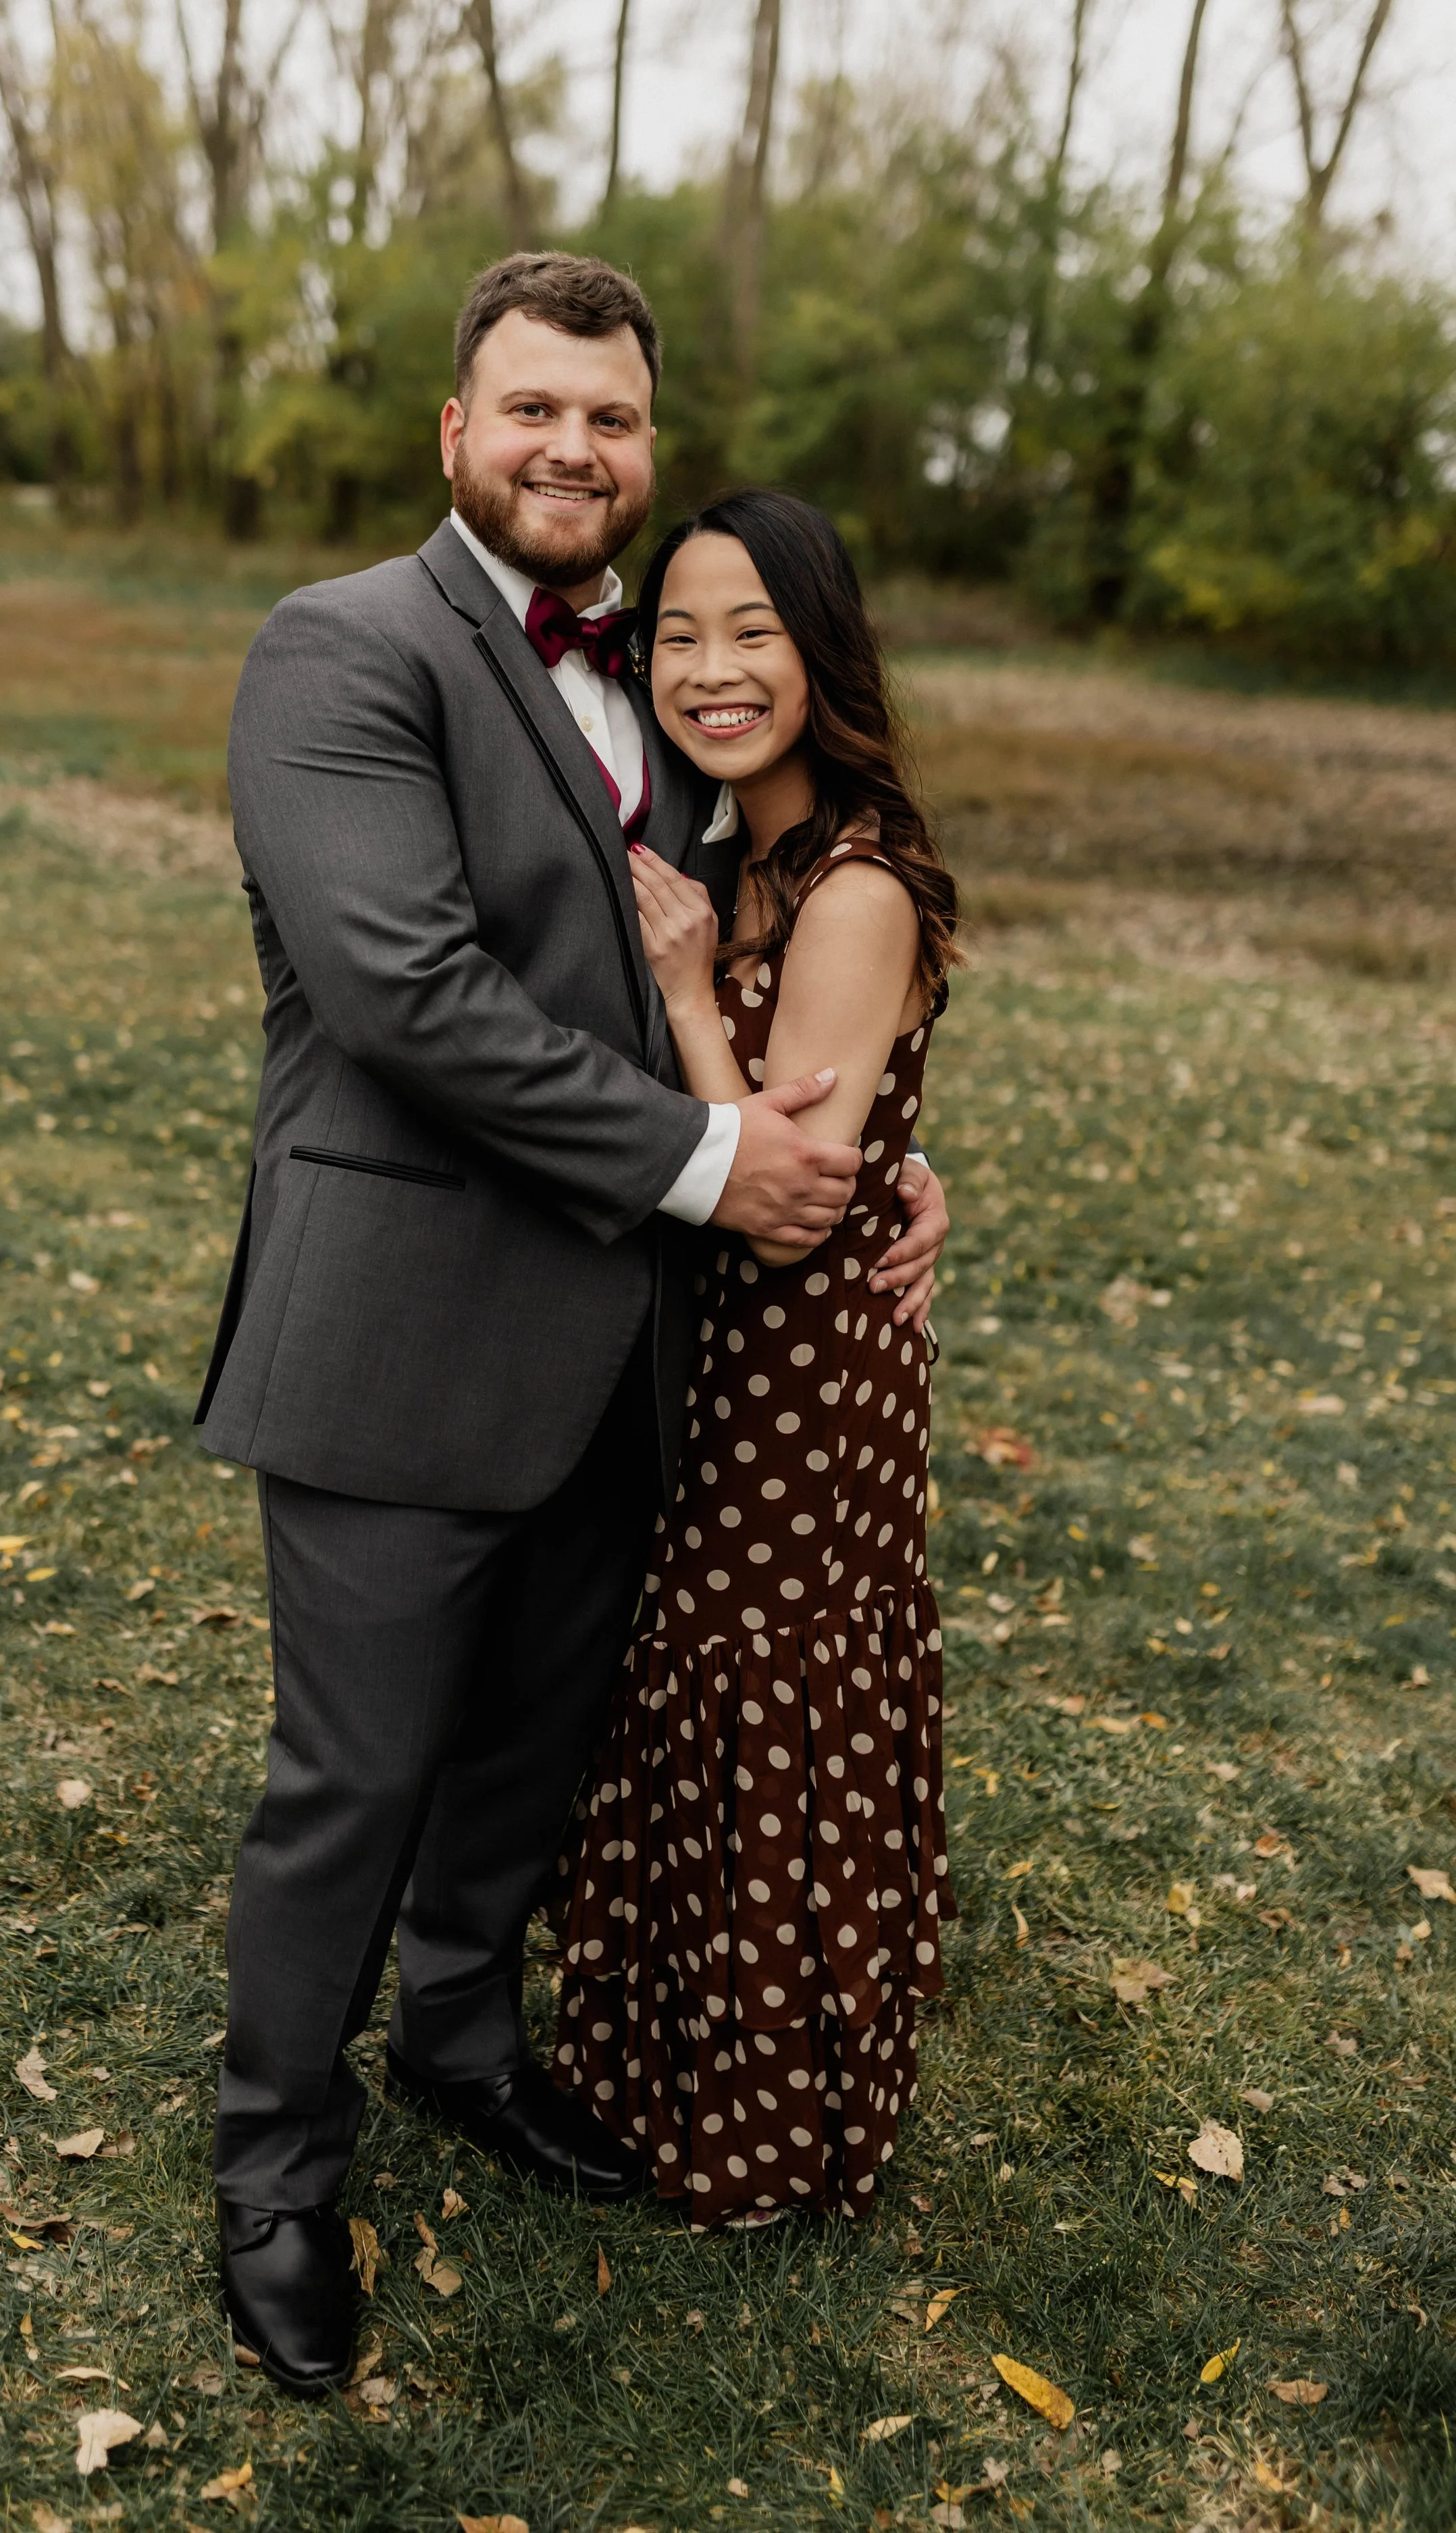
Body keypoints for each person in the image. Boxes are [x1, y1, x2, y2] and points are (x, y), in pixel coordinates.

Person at [194, 255, 953, 2393]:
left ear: (641, 443)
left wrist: (881, 1155)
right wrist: (727, 1171)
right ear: (455, 432)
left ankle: (462, 2035)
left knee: (531, 1744)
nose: (570, 449)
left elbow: (726, 969)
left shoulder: (667, 675)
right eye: (530, 409)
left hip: (629, 1353)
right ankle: (271, 2172)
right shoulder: (340, 650)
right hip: (404, 1330)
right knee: (352, 1777)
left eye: (608, 419)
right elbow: (408, 997)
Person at [554, 489, 959, 2229]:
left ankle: (765, 2114)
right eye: (681, 635)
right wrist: (911, 1166)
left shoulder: (853, 882)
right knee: (703, 1685)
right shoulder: (750, 850)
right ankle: (663, 2056)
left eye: (755, 635)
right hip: (741, 1344)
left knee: (766, 1699)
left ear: (823, 652)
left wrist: (687, 990)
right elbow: (852, 1130)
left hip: (803, 1364)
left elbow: (784, 1201)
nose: (712, 671)